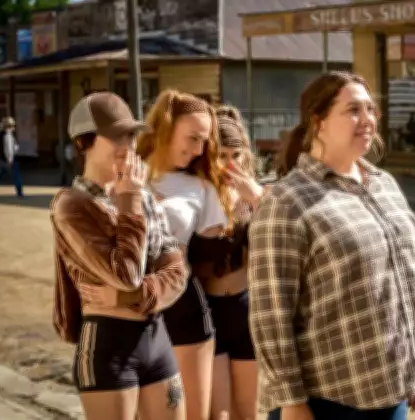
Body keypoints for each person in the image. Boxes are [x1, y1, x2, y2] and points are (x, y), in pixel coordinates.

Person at [249, 71, 415, 420]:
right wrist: (291, 401)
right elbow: (270, 311)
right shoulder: (287, 200)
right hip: (326, 399)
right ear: (319, 122)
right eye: (353, 110)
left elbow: (411, 280)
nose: (368, 119)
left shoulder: (384, 185)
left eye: (371, 109)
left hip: (390, 389)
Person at [51, 92, 188, 420]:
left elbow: (177, 272)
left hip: (156, 336)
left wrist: (130, 297)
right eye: (116, 136)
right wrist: (129, 201)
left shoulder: (142, 196)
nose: (127, 145)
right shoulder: (72, 205)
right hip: (107, 345)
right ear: (84, 142)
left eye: (131, 135)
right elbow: (126, 273)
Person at [136, 89, 229, 420]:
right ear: (166, 127)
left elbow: (214, 254)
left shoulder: (201, 187)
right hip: (131, 308)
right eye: (193, 137)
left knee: (191, 414)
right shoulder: (128, 173)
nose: (199, 149)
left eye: (204, 141)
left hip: (184, 309)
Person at [189, 105, 263, 420]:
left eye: (237, 155)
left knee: (247, 413)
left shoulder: (254, 195)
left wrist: (256, 200)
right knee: (218, 414)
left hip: (246, 310)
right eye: (222, 156)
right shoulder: (194, 194)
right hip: (210, 311)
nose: (230, 165)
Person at [0, 116, 23, 197]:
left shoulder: (2, 134)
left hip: (1, 159)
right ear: (10, 126)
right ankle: (20, 193)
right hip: (8, 160)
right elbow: (9, 149)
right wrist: (10, 160)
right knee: (16, 176)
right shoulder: (8, 136)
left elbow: (0, 147)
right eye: (12, 125)